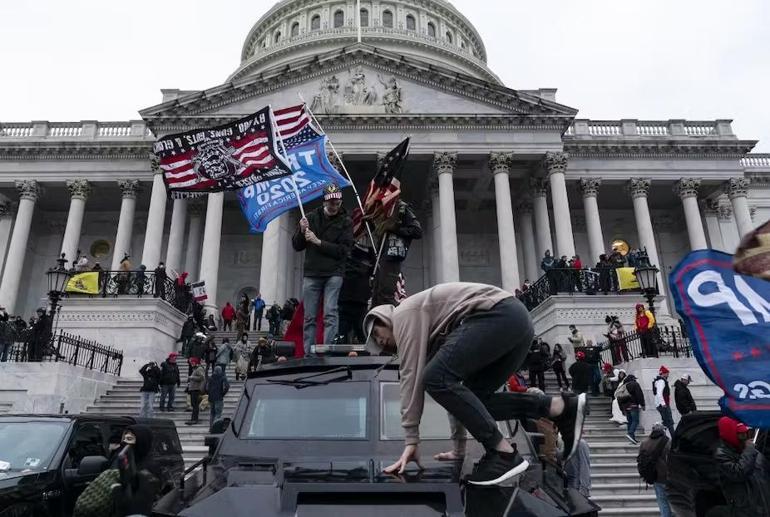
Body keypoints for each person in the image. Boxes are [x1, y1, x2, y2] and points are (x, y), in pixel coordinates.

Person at [363, 282, 588, 486]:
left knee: (433, 378)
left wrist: (411, 439)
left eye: (376, 334)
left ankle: (504, 454)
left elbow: (410, 377)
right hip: (516, 323)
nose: (379, 342)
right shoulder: (430, 333)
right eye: (376, 344)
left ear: (384, 319)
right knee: (474, 398)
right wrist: (459, 449)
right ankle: (557, 407)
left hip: (498, 315)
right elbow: (457, 399)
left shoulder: (404, 314)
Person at [292, 184, 354, 356]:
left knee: (330, 313)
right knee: (309, 316)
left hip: (334, 272)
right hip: (312, 273)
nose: (334, 206)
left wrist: (319, 242)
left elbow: (345, 251)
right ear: (324, 202)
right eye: (331, 202)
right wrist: (301, 231)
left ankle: (328, 352)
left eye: (337, 202)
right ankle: (309, 353)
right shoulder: (311, 217)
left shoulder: (346, 221)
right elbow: (297, 245)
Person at [73, 425, 162, 517]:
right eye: (124, 438)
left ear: (141, 441)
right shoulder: (119, 457)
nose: (125, 442)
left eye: (130, 438)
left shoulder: (150, 468)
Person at [711, 416, 770, 517]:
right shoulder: (722, 454)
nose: (746, 439)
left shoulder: (752, 452)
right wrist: (749, 450)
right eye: (741, 435)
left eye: (747, 434)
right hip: (745, 509)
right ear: (730, 435)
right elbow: (739, 473)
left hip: (762, 506)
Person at [371, 200, 423, 307]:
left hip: (393, 256)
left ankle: (394, 320)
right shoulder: (383, 211)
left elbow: (417, 231)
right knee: (377, 296)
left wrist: (396, 229)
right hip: (382, 257)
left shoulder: (401, 209)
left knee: (386, 295)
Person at [637, 423, 672, 517]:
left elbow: (640, 458)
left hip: (654, 476)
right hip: (668, 476)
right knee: (672, 502)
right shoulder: (667, 442)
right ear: (663, 431)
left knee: (662, 502)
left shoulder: (645, 442)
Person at [616, 373, 645, 444]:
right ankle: (630, 433)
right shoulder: (635, 384)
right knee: (635, 421)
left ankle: (632, 438)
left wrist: (621, 409)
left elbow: (618, 398)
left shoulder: (623, 386)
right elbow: (639, 395)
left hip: (625, 407)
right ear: (633, 379)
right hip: (633, 405)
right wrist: (642, 404)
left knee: (630, 421)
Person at [653, 366, 676, 438]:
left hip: (661, 404)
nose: (668, 375)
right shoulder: (661, 381)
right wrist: (663, 403)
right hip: (663, 405)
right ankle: (674, 438)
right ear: (664, 374)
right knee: (669, 422)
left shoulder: (659, 381)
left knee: (666, 422)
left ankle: (661, 437)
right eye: (667, 373)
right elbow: (659, 393)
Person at [207, 365, 230, 431]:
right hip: (219, 398)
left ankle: (211, 428)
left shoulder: (211, 377)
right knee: (218, 414)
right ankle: (214, 428)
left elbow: (207, 387)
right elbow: (227, 386)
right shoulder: (223, 377)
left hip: (211, 398)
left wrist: (209, 393)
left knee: (212, 413)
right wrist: (223, 394)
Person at [185, 357, 206, 425]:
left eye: (192, 362)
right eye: (191, 362)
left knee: (195, 405)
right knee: (194, 405)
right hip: (193, 389)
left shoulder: (199, 368)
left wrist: (191, 377)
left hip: (196, 389)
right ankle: (193, 418)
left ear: (196, 362)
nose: (191, 364)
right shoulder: (195, 369)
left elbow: (202, 377)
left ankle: (194, 419)